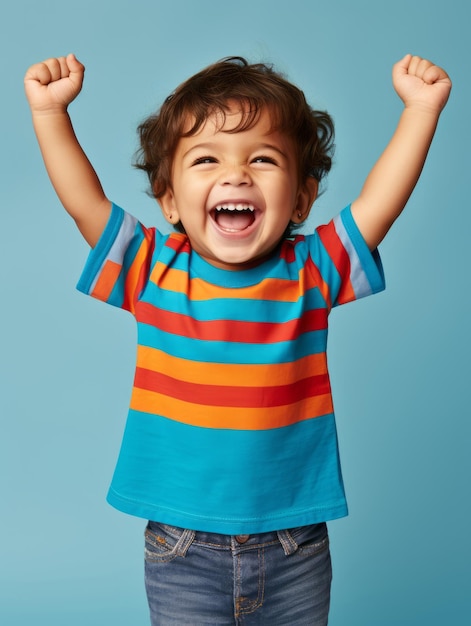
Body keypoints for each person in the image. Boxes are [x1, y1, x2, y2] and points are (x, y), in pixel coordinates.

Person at [24, 52, 451, 625]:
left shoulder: (313, 270)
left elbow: (380, 205)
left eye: (263, 158)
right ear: (169, 200)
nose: (236, 174)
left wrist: (421, 111)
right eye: (206, 158)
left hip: (294, 545)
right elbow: (85, 203)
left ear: (301, 199)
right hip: (181, 547)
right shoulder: (152, 268)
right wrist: (51, 114)